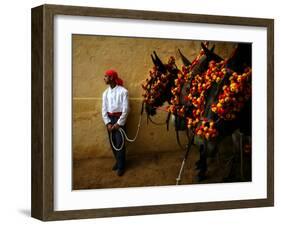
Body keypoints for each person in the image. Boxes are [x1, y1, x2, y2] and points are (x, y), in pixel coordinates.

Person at [102, 69, 129, 176]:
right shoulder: (105, 93)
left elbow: (126, 109)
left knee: (120, 143)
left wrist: (119, 124)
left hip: (119, 120)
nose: (104, 78)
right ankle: (118, 161)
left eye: (105, 76)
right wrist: (108, 123)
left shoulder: (123, 91)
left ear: (111, 78)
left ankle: (121, 166)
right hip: (110, 119)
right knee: (112, 142)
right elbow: (104, 109)